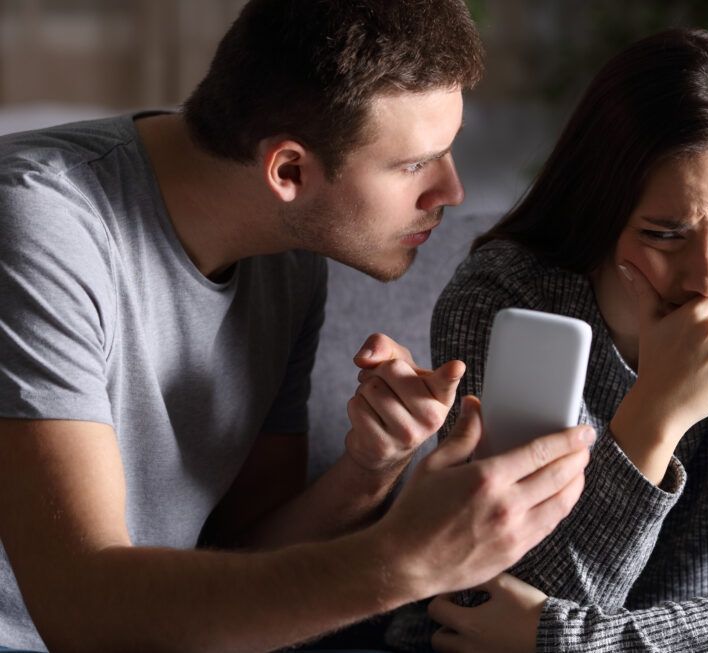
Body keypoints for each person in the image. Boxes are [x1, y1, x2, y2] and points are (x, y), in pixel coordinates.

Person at [0, 1, 594, 651]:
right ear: (288, 171)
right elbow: (78, 612)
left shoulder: (288, 255)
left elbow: (243, 551)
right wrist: (404, 560)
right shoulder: (39, 227)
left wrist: (369, 469)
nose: (451, 192)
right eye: (414, 164)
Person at [396, 28, 708, 652]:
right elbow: (486, 612)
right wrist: (656, 413)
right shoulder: (503, 298)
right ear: (599, 213)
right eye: (664, 235)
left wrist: (569, 641)